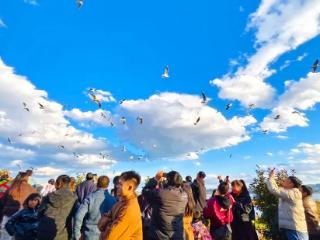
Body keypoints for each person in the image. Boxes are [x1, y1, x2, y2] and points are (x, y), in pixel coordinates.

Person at [142, 170, 188, 240]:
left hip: (159, 235)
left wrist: (156, 179)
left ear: (167, 181)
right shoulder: (184, 195)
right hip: (177, 234)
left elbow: (145, 191)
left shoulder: (160, 194)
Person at [98, 171, 142, 240]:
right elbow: (100, 225)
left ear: (130, 188)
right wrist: (111, 223)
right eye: (118, 183)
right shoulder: (121, 202)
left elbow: (110, 237)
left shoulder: (130, 208)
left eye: (120, 184)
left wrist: (108, 223)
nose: (117, 186)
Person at [266, 169, 308, 240]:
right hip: (292, 227)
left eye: (286, 180)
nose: (283, 181)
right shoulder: (290, 192)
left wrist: (271, 178)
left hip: (295, 229)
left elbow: (274, 190)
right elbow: (277, 189)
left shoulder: (293, 193)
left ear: (291, 184)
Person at [74, 176, 116, 240]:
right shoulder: (114, 200)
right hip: (107, 235)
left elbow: (78, 216)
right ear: (108, 185)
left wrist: (77, 235)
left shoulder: (90, 198)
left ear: (97, 184)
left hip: (90, 235)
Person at [37, 175, 77, 240]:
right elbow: (74, 216)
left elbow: (39, 213)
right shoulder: (74, 198)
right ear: (69, 184)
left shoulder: (48, 196)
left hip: (44, 231)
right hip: (63, 233)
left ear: (60, 183)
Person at [0, 172, 36, 240]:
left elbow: (2, 203)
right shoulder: (32, 189)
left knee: (5, 236)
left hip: (8, 215)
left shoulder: (11, 187)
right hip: (23, 216)